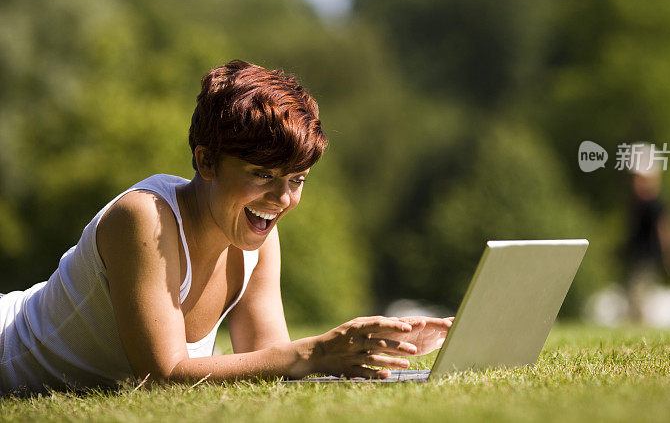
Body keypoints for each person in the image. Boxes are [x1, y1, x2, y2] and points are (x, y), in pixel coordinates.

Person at [0, 60, 452, 394]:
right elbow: (162, 374)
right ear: (206, 160)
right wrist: (315, 353)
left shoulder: (258, 236)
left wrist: (373, 348)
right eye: (262, 175)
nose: (282, 200)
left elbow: (270, 360)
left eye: (297, 180)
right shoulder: (142, 218)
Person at [619, 145, 670, 322]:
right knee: (633, 299)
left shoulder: (655, 203)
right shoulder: (638, 203)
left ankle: (640, 336)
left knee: (638, 300)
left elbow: (668, 226)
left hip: (647, 260)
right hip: (637, 259)